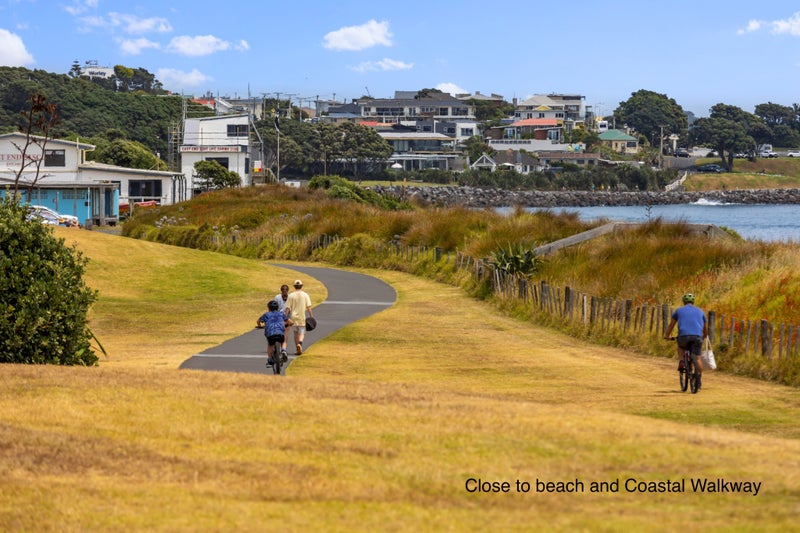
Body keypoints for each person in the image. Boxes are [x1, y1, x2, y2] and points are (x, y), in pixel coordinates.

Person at [664, 293, 708, 389]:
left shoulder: (679, 311)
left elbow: (671, 325)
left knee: (680, 347)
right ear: (693, 302)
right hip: (697, 337)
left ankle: (681, 361)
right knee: (697, 358)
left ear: (684, 302)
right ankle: (698, 378)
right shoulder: (700, 311)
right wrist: (704, 336)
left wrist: (667, 336)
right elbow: (705, 327)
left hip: (683, 336)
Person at [258, 300, 292, 366]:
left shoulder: (266, 314)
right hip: (280, 333)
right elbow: (290, 322)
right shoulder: (281, 314)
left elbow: (258, 321)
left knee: (270, 345)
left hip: (270, 333)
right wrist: (287, 325)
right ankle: (283, 350)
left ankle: (270, 359)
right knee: (283, 341)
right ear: (277, 307)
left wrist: (259, 326)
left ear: (269, 308)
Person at [285, 279, 313, 355]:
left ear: (294, 286)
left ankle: (297, 348)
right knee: (302, 333)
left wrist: (285, 317)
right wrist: (311, 316)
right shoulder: (305, 295)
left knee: (295, 333)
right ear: (301, 286)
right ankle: (300, 344)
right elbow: (309, 307)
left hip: (293, 317)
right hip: (301, 317)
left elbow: (287, 308)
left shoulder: (291, 295)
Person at [272, 284, 291, 357]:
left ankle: (283, 348)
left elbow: (290, 308)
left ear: (288, 291)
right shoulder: (277, 297)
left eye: (286, 290)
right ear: (281, 291)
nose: (284, 292)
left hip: (287, 317)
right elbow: (274, 307)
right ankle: (279, 347)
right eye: (283, 290)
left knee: (286, 331)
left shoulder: (290, 298)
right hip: (278, 316)